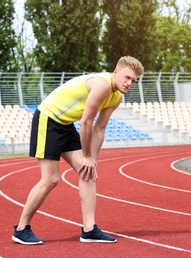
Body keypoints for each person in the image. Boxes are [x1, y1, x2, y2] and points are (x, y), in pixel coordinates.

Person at [12, 56, 144, 245]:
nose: (130, 83)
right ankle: (21, 228)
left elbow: (99, 129)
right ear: (116, 72)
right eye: (127, 77)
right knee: (51, 179)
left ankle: (89, 230)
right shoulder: (102, 85)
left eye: (134, 81)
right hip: (48, 119)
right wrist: (87, 155)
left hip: (65, 124)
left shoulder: (116, 98)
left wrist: (93, 161)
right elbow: (86, 122)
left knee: (88, 173)